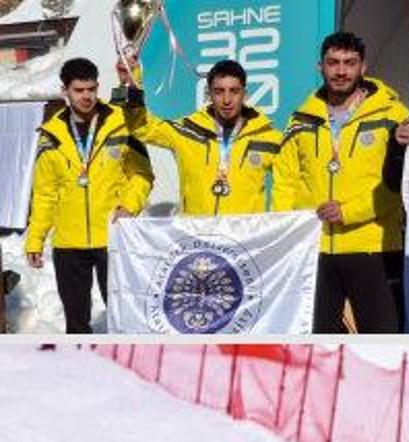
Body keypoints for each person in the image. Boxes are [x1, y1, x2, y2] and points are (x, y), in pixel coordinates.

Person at [278, 31, 409, 334]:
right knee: (315, 341)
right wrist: (290, 230)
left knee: (383, 340)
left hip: (373, 246)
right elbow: (285, 179)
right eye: (333, 62)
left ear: (363, 67)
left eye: (349, 63)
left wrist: (350, 211)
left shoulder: (394, 115)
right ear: (320, 67)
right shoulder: (300, 117)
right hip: (314, 249)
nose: (340, 71)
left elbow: (400, 183)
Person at [26, 58, 153, 334]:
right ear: (65, 91)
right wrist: (35, 239)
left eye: (91, 89)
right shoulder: (51, 135)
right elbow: (45, 194)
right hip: (68, 246)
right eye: (79, 90)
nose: (87, 97)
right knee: (76, 322)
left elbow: (142, 175)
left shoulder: (122, 123)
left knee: (124, 317)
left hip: (113, 238)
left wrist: (129, 206)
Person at [118, 58, 282, 217]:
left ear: (244, 94)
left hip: (245, 239)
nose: (227, 100)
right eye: (219, 91)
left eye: (234, 91)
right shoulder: (187, 131)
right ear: (208, 94)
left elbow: (293, 181)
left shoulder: (267, 137)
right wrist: (132, 84)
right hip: (196, 239)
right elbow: (142, 127)